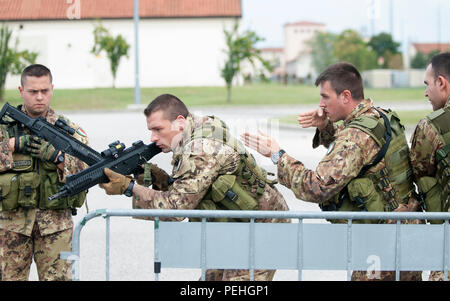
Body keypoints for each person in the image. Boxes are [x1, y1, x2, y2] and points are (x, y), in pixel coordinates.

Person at [241, 62, 421, 281]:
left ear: (345, 96)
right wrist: (325, 126)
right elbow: (360, 153)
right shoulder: (378, 116)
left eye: (325, 97)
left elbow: (315, 187)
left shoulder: (355, 136)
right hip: (408, 231)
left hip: (383, 244)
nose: (321, 104)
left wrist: (278, 155)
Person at [99, 93, 290, 281]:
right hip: (238, 229)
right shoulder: (198, 129)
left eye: (158, 129)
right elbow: (195, 187)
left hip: (261, 233)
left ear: (180, 122)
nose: (153, 138)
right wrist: (159, 177)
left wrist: (129, 187)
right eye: (151, 130)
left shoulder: (201, 149)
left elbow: (175, 208)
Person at [0, 64, 89, 281]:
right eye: (33, 92)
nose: (39, 97)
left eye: (45, 91)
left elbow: (88, 171)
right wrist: (11, 145)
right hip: (11, 224)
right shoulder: (4, 127)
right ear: (21, 91)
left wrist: (57, 157)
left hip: (56, 227)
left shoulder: (67, 130)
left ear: (52, 89)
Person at [410, 52, 450, 281]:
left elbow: (418, 173)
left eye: (428, 84)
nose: (426, 93)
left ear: (441, 83)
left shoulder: (430, 127)